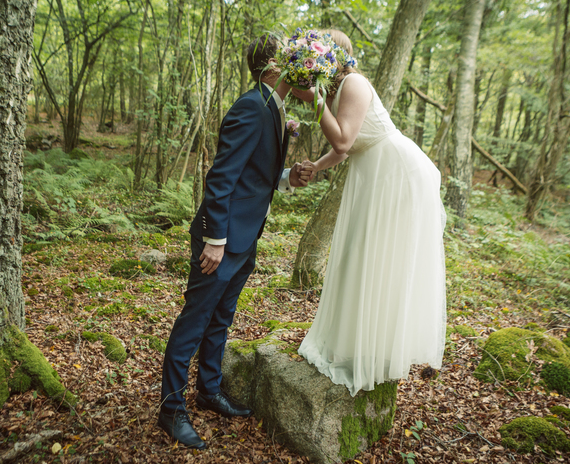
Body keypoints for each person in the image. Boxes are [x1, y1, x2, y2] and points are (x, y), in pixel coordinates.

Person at [158, 34, 311, 449]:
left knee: (221, 320)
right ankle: (170, 409)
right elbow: (221, 178)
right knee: (193, 324)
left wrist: (287, 178)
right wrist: (214, 239)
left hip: (245, 240)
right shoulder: (250, 106)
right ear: (273, 66)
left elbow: (253, 176)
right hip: (221, 242)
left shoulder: (275, 109)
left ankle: (208, 390)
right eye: (289, 55)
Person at [294, 29, 447, 397]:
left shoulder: (354, 83)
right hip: (377, 177)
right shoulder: (336, 91)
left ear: (333, 57)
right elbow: (345, 150)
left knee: (377, 259)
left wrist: (314, 100)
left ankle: (374, 353)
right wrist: (315, 166)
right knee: (360, 258)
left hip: (397, 176)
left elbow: (344, 139)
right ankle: (355, 345)